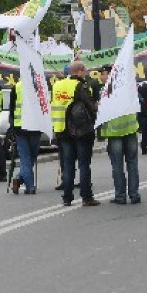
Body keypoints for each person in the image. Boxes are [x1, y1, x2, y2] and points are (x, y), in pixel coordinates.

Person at [53, 61, 99, 206]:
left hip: (61, 130)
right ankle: (86, 197)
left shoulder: (57, 85)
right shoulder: (81, 86)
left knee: (67, 165)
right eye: (85, 71)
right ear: (78, 71)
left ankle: (67, 198)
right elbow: (91, 106)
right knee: (84, 164)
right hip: (80, 131)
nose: (86, 73)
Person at [8, 77, 42, 194]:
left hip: (21, 127)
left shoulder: (16, 87)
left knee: (27, 158)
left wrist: (12, 127)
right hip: (34, 127)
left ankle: (19, 178)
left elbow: (11, 110)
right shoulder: (39, 87)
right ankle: (30, 186)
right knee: (29, 157)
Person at [100, 106, 141, 205]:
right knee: (132, 163)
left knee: (117, 165)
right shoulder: (129, 90)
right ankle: (134, 194)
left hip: (114, 132)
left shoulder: (107, 92)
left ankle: (120, 196)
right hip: (130, 128)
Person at [137, 81, 147, 155]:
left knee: (144, 130)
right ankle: (144, 146)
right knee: (146, 130)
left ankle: (144, 146)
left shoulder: (139, 87)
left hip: (140, 111)